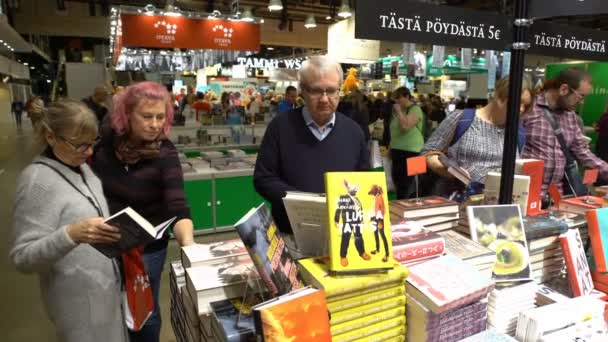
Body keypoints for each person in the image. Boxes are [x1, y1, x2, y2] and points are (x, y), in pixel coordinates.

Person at [10, 99, 128, 342]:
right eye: (79, 145)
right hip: (78, 307)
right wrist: (71, 234)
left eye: (92, 143)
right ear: (50, 137)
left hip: (106, 291)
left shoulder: (82, 168)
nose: (89, 152)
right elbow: (22, 257)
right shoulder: (37, 183)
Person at [91, 81, 195, 342]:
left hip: (148, 249)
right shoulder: (104, 144)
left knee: (144, 312)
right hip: (106, 242)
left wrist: (189, 244)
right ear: (127, 114)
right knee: (107, 308)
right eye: (147, 116)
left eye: (161, 117)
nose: (155, 124)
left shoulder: (165, 152)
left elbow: (177, 204)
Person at [254, 56, 370, 234]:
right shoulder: (280, 127)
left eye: (331, 91)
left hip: (340, 232)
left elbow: (364, 180)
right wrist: (305, 203)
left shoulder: (354, 132)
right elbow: (263, 179)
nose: (325, 99)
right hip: (291, 233)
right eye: (316, 91)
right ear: (303, 91)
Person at [422, 76, 534, 196]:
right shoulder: (461, 119)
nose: (521, 109)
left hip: (496, 206)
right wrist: (449, 172)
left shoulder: (518, 132)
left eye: (526, 105)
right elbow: (428, 152)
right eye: (518, 102)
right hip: (457, 199)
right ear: (499, 96)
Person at [522, 67, 608, 196]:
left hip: (557, 195)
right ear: (564, 89)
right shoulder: (529, 109)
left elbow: (582, 152)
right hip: (527, 192)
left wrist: (606, 170)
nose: (582, 101)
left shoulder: (570, 116)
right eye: (581, 96)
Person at [389, 87, 425, 199]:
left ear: (407, 97)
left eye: (399, 98)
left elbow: (405, 127)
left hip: (414, 151)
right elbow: (394, 131)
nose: (397, 101)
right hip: (397, 150)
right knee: (398, 182)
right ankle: (400, 207)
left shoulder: (415, 109)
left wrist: (399, 112)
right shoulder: (398, 112)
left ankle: (412, 209)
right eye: (395, 99)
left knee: (413, 185)